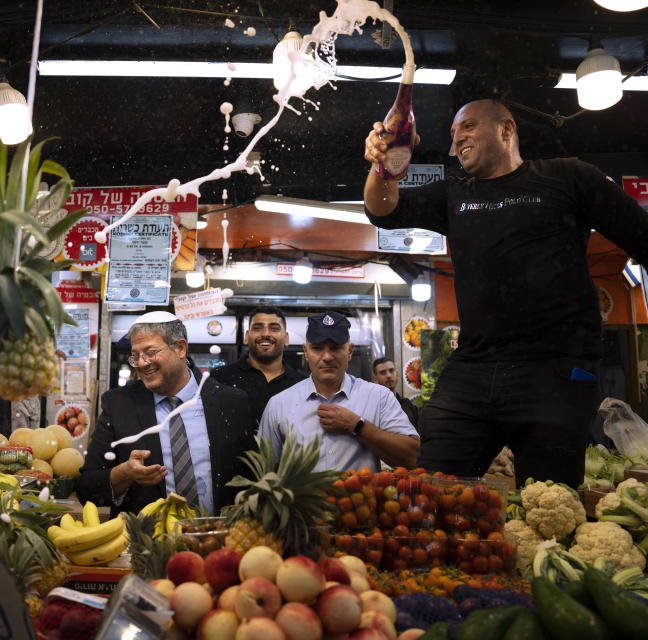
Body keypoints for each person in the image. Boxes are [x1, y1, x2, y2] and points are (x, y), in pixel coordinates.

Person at [362, 98, 648, 486]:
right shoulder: (455, 193)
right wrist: (384, 165)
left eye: (469, 127)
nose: (457, 137)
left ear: (507, 129)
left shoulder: (567, 177)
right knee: (432, 490)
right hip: (474, 366)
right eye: (453, 133)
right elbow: (383, 210)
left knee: (546, 497)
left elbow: (642, 236)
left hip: (556, 368)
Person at [77, 311, 255, 516]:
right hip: (147, 543)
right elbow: (86, 489)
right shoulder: (118, 405)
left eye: (150, 352)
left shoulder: (231, 402)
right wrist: (125, 473)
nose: (142, 363)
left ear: (180, 348)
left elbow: (250, 479)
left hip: (217, 541)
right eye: (135, 356)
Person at [259, 312, 419, 472]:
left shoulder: (378, 397)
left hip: (362, 497)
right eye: (317, 348)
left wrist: (358, 426)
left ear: (350, 351)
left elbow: (412, 457)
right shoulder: (279, 405)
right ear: (306, 352)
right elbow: (265, 473)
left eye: (335, 348)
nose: (327, 357)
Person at [210, 306, 306, 429]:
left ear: (286, 338)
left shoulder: (301, 384)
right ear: (246, 336)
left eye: (274, 328)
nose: (266, 334)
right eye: (257, 328)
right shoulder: (220, 378)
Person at [372, 357, 420, 428]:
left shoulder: (408, 405)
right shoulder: (372, 408)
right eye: (383, 372)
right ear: (375, 379)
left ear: (396, 374)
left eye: (391, 371)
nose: (388, 375)